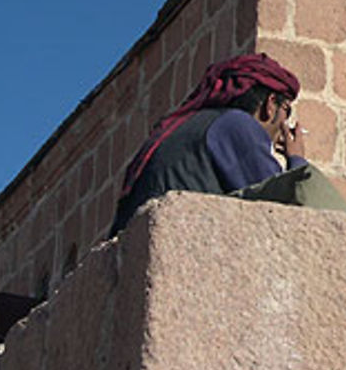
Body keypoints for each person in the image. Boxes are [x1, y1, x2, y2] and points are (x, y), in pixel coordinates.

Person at [110, 53, 307, 236]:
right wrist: (297, 162)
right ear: (270, 104)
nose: (285, 122)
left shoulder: (189, 126)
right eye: (286, 111)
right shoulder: (237, 125)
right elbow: (282, 212)